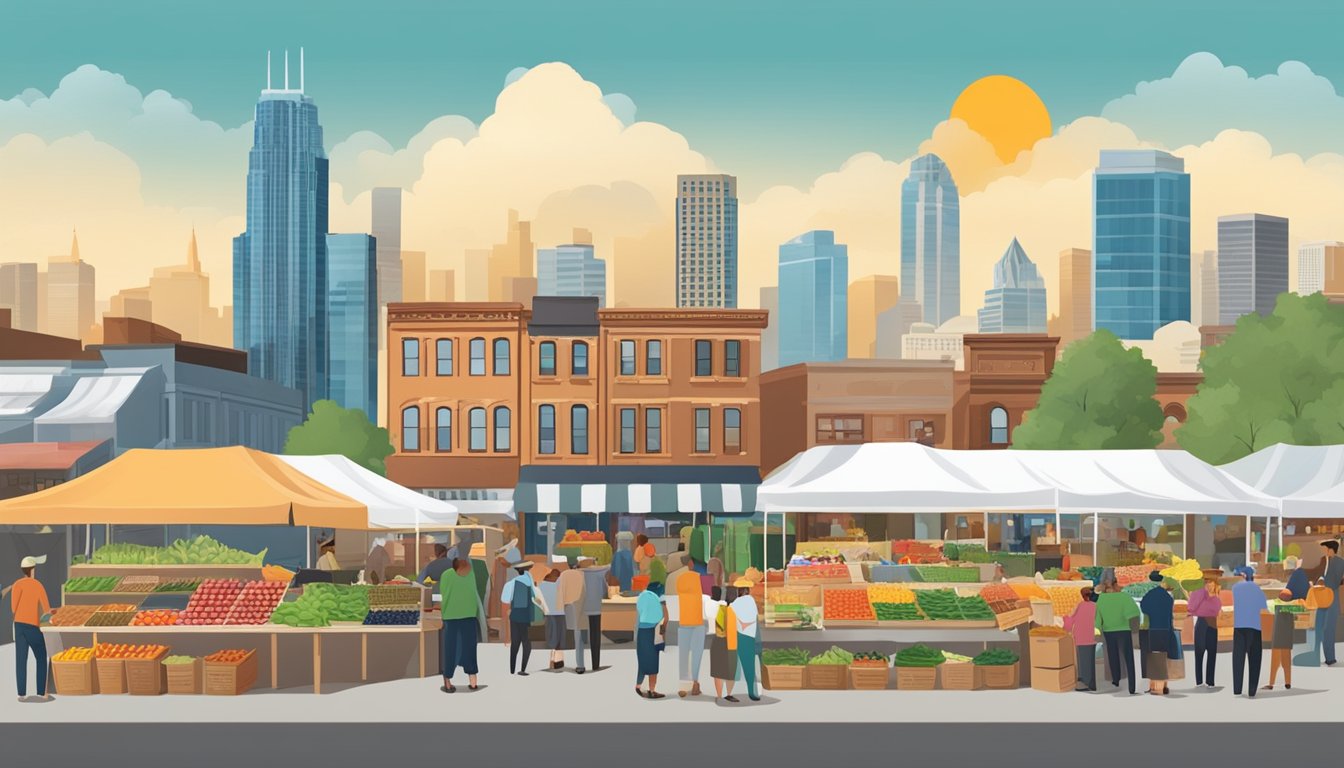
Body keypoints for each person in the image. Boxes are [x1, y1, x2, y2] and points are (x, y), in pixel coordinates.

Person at [4, 555, 53, 701]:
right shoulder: (38, 585)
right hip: (32, 626)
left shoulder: (17, 584)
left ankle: (21, 694)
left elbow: (13, 608)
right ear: (32, 570)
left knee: (21, 659)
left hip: (19, 626)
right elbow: (47, 610)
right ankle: (41, 692)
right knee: (41, 657)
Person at [439, 558, 481, 693]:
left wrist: (442, 614)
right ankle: (473, 681)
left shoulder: (446, 575)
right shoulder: (472, 574)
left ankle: (448, 682)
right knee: (469, 648)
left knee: (450, 648)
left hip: (451, 616)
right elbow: (474, 593)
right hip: (469, 615)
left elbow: (443, 595)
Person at [501, 560, 547, 676]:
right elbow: (537, 600)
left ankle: (512, 669)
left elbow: (505, 600)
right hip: (527, 617)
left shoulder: (511, 583)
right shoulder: (531, 584)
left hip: (515, 616)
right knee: (526, 642)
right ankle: (523, 669)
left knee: (515, 642)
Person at [1095, 579, 1139, 694]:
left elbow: (1098, 618)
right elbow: (1134, 612)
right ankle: (1132, 686)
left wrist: (1098, 629)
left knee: (1113, 656)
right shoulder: (1124, 597)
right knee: (1129, 658)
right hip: (1124, 630)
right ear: (1116, 586)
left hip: (1109, 631)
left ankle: (1116, 680)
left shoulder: (1101, 599)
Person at [1230, 566, 1268, 698]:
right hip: (1254, 627)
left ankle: (1237, 689)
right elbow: (1264, 607)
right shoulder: (1258, 590)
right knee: (1254, 660)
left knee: (1238, 659)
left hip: (1239, 626)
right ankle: (1252, 691)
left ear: (1243, 576)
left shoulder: (1235, 588)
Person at [674, 557, 709, 697]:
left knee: (683, 654)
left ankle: (683, 685)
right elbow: (709, 596)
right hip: (698, 621)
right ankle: (695, 683)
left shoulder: (679, 580)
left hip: (684, 620)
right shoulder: (701, 579)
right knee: (696, 654)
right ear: (691, 563)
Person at [1139, 571, 1175, 695]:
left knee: (1154, 657)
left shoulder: (1149, 595)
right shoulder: (1167, 596)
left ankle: (1154, 685)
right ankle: (1164, 684)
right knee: (1165, 656)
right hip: (1166, 628)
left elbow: (1144, 608)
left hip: (1153, 628)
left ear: (1150, 580)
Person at [635, 580, 669, 698]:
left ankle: (638, 686)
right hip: (653, 632)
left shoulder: (642, 597)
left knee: (642, 660)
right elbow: (665, 619)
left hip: (641, 632)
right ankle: (651, 690)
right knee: (653, 662)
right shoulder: (659, 600)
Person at [1187, 575, 1222, 688]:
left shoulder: (1216, 599)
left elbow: (1218, 613)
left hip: (1212, 625)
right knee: (1199, 653)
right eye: (1207, 584)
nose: (1210, 586)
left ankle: (1210, 681)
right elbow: (1192, 608)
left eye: (1212, 584)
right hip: (1202, 623)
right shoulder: (1199, 594)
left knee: (1212, 654)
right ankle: (1199, 681)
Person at [578, 558, 612, 672]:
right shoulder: (599, 574)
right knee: (595, 636)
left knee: (580, 637)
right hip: (595, 609)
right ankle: (595, 664)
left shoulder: (578, 574)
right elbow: (604, 591)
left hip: (581, 608)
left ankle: (580, 665)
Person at [730, 578, 761, 701]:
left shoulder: (735, 603)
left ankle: (733, 691)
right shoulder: (751, 601)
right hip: (751, 636)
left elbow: (734, 618)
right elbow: (754, 618)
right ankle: (752, 692)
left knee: (737, 665)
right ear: (747, 590)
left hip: (740, 636)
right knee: (750, 666)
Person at [1063, 586, 1098, 692]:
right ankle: (1092, 684)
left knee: (1083, 661)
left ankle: (1085, 683)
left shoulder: (1080, 606)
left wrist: (1065, 618)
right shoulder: (1096, 606)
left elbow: (1070, 622)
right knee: (1090, 660)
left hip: (1081, 637)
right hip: (1092, 636)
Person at [556, 558, 588, 673]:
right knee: (580, 634)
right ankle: (580, 664)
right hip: (581, 605)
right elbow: (585, 590)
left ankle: (580, 664)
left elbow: (559, 590)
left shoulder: (564, 575)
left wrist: (559, 607)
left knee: (576, 634)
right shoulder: (582, 574)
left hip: (569, 606)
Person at [708, 587, 738, 702]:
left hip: (718, 640)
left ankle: (719, 695)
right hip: (732, 641)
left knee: (718, 669)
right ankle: (729, 694)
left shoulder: (715, 607)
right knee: (731, 669)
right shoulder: (735, 610)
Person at [1265, 589, 1297, 691]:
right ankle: (1288, 683)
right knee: (1286, 663)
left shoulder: (1275, 606)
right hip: (1287, 639)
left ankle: (1271, 684)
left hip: (1277, 639)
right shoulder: (1292, 608)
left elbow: (1267, 606)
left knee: (1274, 663)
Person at [1318, 539, 1343, 666]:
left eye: (1326, 549)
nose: (1325, 552)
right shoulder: (1327, 561)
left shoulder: (1339, 562)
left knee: (1329, 629)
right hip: (1325, 598)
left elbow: (1335, 581)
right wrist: (1321, 579)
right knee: (1324, 629)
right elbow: (1323, 575)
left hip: (1332, 599)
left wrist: (1324, 583)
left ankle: (1330, 658)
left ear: (1331, 550)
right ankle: (1329, 657)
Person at [537, 567, 567, 670]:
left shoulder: (542, 585)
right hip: (561, 613)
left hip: (549, 613)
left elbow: (538, 600)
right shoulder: (561, 584)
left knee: (551, 636)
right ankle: (558, 661)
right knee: (560, 638)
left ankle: (551, 660)